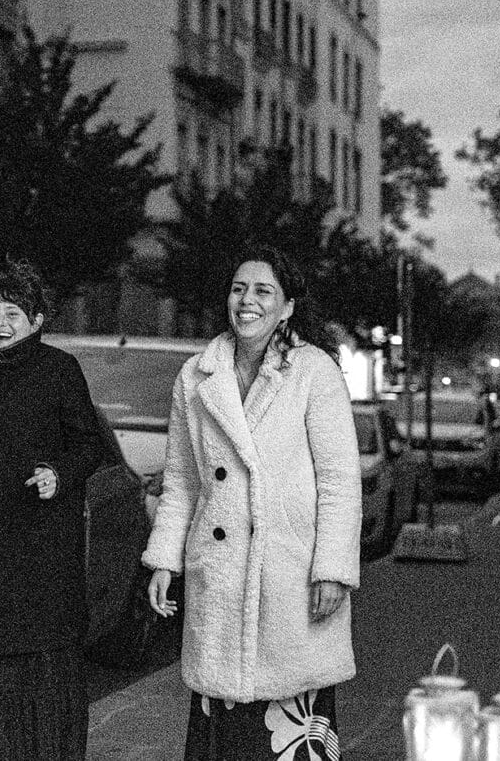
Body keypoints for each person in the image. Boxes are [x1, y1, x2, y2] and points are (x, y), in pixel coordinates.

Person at [143, 245, 361, 760]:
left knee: (289, 727)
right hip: (219, 578)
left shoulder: (313, 371)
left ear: (287, 307)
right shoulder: (196, 376)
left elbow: (339, 481)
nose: (247, 301)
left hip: (290, 577)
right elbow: (182, 480)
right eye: (239, 289)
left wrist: (332, 569)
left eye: (264, 291)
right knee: (221, 728)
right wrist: (164, 560)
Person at [0, 260, 104, 761]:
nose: (0, 323)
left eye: (12, 313)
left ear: (37, 321)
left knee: (35, 663)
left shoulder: (59, 370)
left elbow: (89, 445)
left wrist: (58, 474)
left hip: (38, 554)